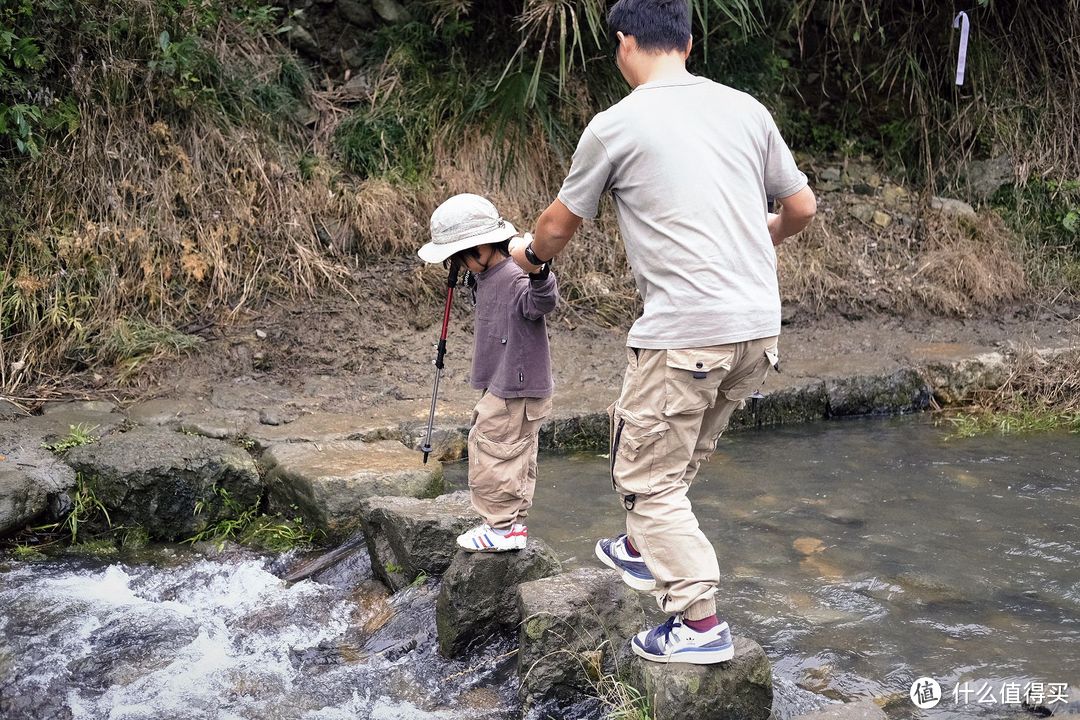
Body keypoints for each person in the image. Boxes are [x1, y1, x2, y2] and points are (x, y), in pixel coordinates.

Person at [510, 0, 817, 663]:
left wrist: (528, 258)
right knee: (671, 464)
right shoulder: (746, 110)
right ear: (689, 41)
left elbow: (559, 226)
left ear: (624, 44)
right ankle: (642, 548)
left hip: (686, 333)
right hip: (758, 329)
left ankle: (699, 625)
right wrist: (759, 239)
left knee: (647, 481)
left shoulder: (616, 125)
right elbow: (800, 207)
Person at [419, 193, 559, 552]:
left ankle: (499, 529)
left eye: (461, 256)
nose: (459, 264)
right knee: (516, 453)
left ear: (481, 247)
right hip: (512, 380)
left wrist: (538, 270)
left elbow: (542, 302)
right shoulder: (485, 275)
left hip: (516, 384)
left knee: (492, 448)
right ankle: (512, 525)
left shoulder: (515, 277)